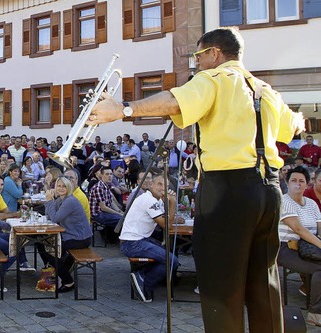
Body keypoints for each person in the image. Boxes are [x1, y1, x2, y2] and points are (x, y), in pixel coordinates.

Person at [88, 27, 304, 331]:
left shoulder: (214, 79)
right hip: (268, 190)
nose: (197, 63)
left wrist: (124, 109)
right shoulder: (264, 89)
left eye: (198, 56)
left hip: (227, 189)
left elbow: (175, 103)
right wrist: (298, 122)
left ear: (214, 53)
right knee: (264, 281)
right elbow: (292, 127)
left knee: (220, 284)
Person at [119, 173, 180, 302]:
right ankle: (145, 283)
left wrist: (171, 210)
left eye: (166, 186)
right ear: (150, 185)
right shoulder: (148, 200)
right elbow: (166, 225)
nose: (163, 188)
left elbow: (166, 218)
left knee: (168, 254)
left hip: (138, 240)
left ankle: (143, 276)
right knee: (172, 260)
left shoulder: (154, 199)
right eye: (160, 184)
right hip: (132, 243)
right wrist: (173, 202)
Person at [277, 166, 321, 326]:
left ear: (307, 184)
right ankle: (315, 313)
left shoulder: (311, 204)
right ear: (287, 183)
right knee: (319, 269)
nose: (298, 184)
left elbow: (319, 228)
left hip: (309, 248)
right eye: (293, 180)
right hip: (287, 249)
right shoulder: (283, 201)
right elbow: (299, 229)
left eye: (301, 181)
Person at [38, 176, 92, 292]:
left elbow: (54, 218)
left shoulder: (70, 201)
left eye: (64, 186)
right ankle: (59, 275)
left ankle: (68, 282)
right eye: (59, 186)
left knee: (50, 252)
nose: (61, 188)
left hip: (79, 238)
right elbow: (49, 215)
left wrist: (49, 201)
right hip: (71, 236)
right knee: (41, 244)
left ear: (69, 188)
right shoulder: (61, 199)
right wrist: (51, 201)